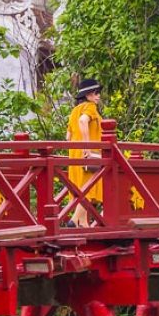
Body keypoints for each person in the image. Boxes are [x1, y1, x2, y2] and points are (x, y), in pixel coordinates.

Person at [66, 78, 103, 227]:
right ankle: (74, 220)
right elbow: (83, 121)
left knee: (81, 188)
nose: (98, 96)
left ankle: (84, 223)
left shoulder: (74, 110)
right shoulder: (90, 107)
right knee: (89, 188)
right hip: (87, 153)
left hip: (75, 154)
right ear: (88, 95)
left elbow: (68, 136)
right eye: (95, 93)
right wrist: (87, 147)